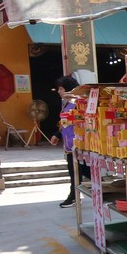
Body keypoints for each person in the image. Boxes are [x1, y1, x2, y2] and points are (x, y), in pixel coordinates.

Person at [49, 75, 82, 207]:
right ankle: (75, 195)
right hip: (69, 144)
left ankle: (73, 196)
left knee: (76, 171)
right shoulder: (68, 104)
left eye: (61, 88)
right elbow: (65, 123)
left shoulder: (77, 104)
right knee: (76, 171)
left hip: (78, 144)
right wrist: (58, 134)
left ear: (69, 90)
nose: (59, 91)